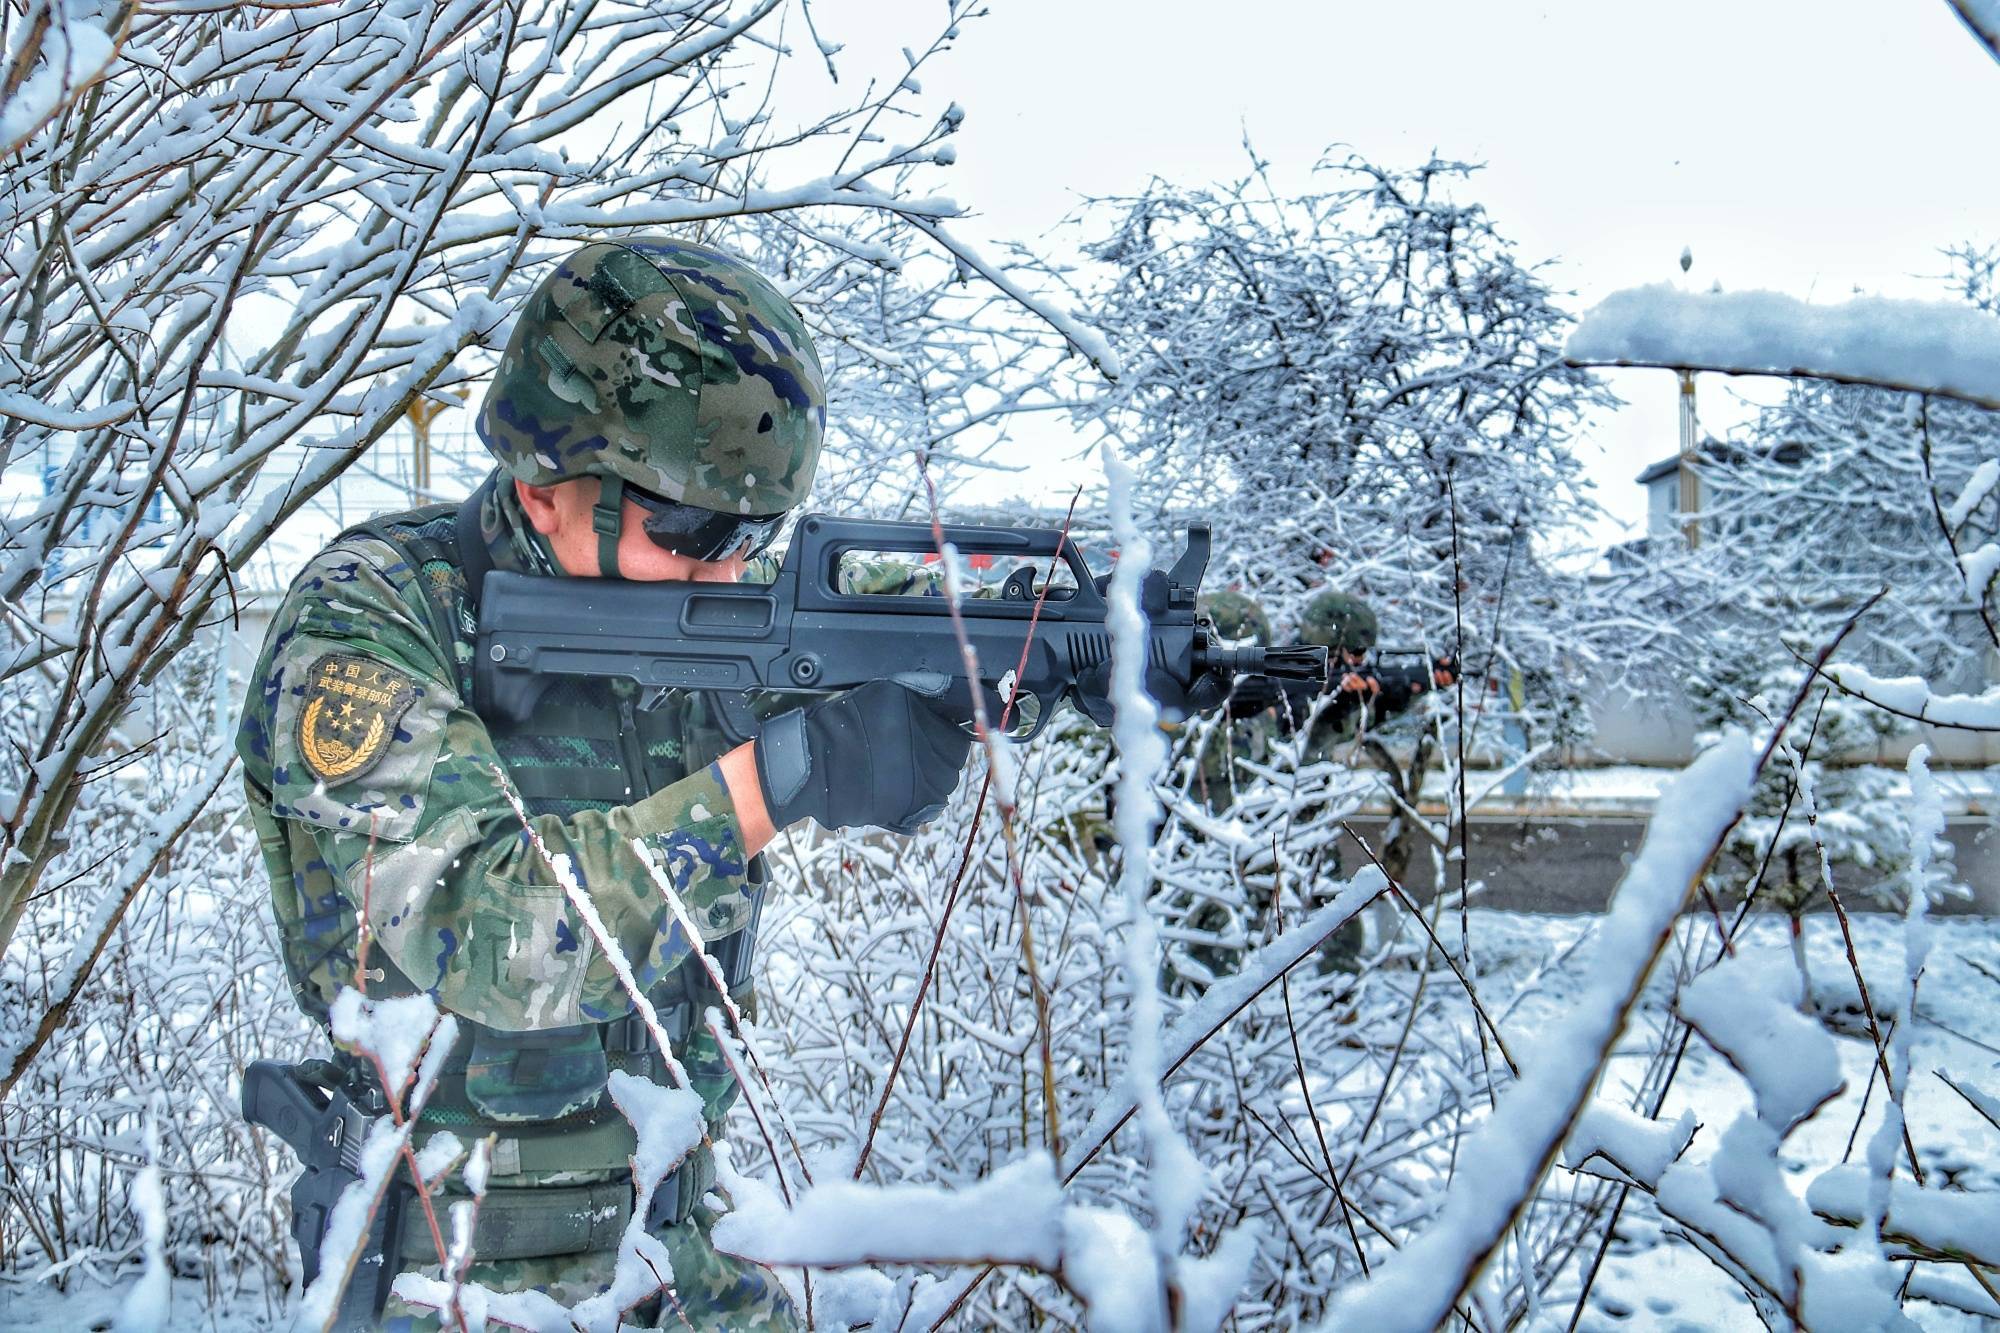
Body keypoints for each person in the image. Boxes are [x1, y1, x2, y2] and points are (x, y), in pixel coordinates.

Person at [236, 238, 981, 1329]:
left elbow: (923, 612)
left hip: (675, 1252)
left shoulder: (707, 599)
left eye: (753, 533)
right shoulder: (371, 623)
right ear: (547, 483)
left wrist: (999, 670)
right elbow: (494, 932)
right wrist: (777, 780)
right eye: (691, 529)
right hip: (449, 1281)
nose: (729, 570)